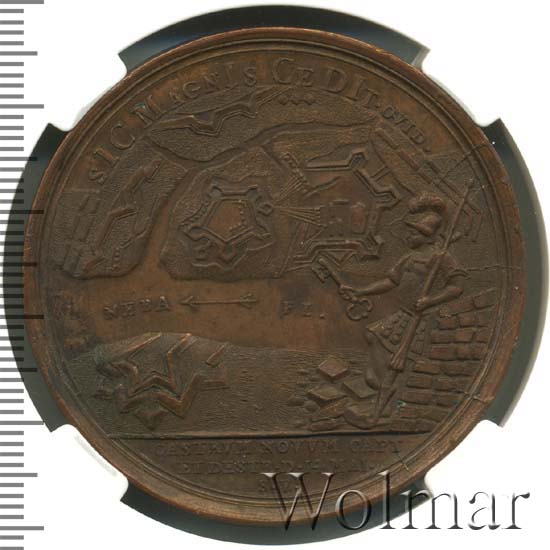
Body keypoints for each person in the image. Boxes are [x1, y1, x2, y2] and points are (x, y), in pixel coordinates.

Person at [338, 193, 466, 427]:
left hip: (420, 318)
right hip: (403, 314)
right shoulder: (409, 258)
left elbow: (457, 287)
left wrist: (430, 300)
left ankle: (381, 412)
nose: (408, 236)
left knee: (394, 363)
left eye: (414, 233)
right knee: (374, 337)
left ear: (427, 236)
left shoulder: (441, 258)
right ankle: (379, 396)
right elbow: (390, 281)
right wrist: (360, 291)